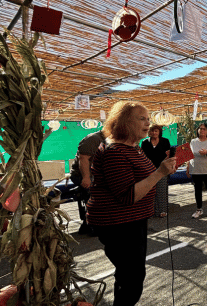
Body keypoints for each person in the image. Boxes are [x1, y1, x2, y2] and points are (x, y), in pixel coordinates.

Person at [87, 101, 177, 305]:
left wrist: (162, 169)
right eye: (142, 118)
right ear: (124, 122)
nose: (148, 123)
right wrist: (159, 173)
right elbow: (128, 196)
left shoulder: (132, 148)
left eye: (148, 118)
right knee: (131, 279)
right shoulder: (115, 152)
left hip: (132, 220)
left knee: (130, 276)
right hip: (119, 223)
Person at [70, 130, 105, 235]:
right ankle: (93, 227)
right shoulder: (94, 138)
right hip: (83, 175)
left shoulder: (109, 140)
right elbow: (83, 158)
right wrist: (86, 178)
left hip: (95, 176)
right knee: (95, 198)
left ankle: (87, 226)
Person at [141, 124, 171, 218]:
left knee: (162, 190)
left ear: (159, 132)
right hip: (149, 170)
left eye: (156, 131)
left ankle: (162, 210)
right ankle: (151, 211)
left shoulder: (165, 141)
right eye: (152, 131)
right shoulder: (145, 142)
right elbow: (143, 156)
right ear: (149, 132)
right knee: (150, 191)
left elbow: (169, 154)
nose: (154, 133)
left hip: (162, 169)